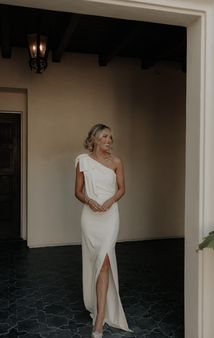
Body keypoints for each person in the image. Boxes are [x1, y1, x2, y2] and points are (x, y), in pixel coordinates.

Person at [75, 124, 132, 338]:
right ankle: (97, 306)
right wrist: (89, 201)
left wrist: (109, 202)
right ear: (95, 139)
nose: (109, 140)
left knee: (105, 259)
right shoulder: (82, 161)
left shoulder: (116, 162)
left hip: (110, 216)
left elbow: (122, 189)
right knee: (96, 263)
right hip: (90, 218)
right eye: (105, 136)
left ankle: (100, 319)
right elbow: (78, 191)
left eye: (111, 137)